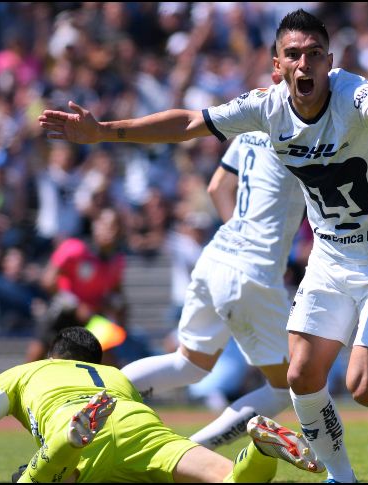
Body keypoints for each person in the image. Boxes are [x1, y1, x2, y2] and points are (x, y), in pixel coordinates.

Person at [38, 8, 368, 481]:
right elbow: (186, 123)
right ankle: (341, 477)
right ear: (277, 67)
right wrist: (104, 133)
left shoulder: (351, 90)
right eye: (294, 55)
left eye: (315, 55)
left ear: (329, 61)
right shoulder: (264, 109)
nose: (305, 64)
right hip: (329, 255)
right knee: (300, 377)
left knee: (364, 386)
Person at [121, 128, 307, 450]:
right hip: (253, 271)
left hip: (217, 255)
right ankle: (193, 449)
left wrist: (240, 231)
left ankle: (99, 397)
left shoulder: (252, 128)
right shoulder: (307, 131)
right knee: (286, 386)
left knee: (188, 364)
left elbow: (217, 185)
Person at [0, 326, 323, 483]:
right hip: (140, 425)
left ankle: (66, 443)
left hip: (80, 437)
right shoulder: (116, 376)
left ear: (52, 357)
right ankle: (259, 450)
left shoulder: (24, 373)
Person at [24, 207, 128, 363]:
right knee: (35, 358)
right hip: (63, 312)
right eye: (105, 225)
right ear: (95, 225)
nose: (110, 231)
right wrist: (75, 305)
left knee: (109, 360)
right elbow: (48, 280)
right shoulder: (75, 249)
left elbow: (116, 293)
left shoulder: (117, 261)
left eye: (115, 226)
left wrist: (115, 306)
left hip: (92, 319)